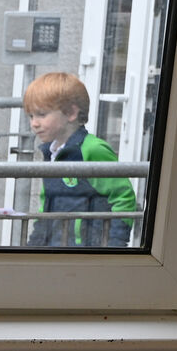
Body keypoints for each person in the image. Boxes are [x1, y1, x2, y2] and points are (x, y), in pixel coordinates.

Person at [23, 72, 137, 247]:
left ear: (71, 113)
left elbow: (123, 198)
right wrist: (34, 244)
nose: (34, 123)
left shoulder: (93, 149)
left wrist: (115, 244)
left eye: (41, 114)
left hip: (90, 249)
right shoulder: (51, 152)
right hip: (56, 247)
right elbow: (46, 205)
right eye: (31, 116)